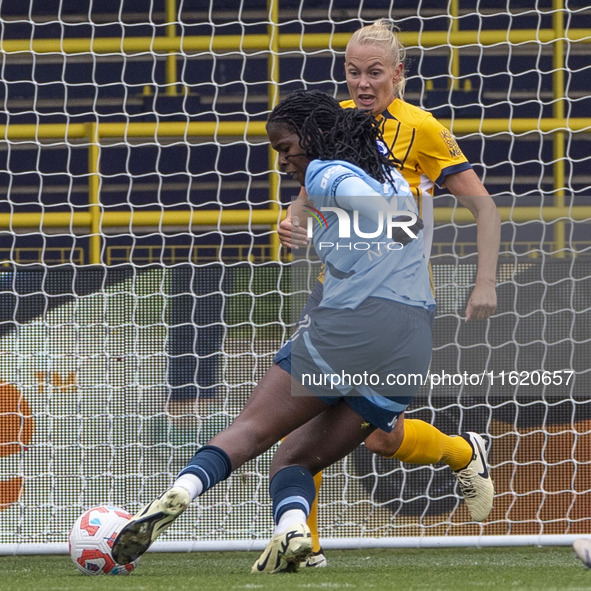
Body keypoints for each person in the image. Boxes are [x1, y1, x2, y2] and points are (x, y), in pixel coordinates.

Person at [111, 89, 439, 574]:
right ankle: (292, 531)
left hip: (352, 327)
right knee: (293, 462)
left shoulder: (327, 172)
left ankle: (177, 493)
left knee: (251, 431)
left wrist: (335, 236)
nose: (284, 161)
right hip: (411, 342)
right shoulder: (387, 169)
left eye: (285, 148)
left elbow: (383, 216)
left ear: (312, 137)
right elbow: (409, 227)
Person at [277, 19, 501, 565]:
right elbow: (314, 182)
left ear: (398, 74)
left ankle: (459, 452)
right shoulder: (339, 123)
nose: (362, 83)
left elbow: (484, 206)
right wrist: (294, 216)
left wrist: (486, 281)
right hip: (337, 296)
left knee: (377, 438)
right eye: (352, 72)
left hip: (397, 303)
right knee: (307, 425)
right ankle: (305, 546)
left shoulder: (422, 129)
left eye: (374, 72)